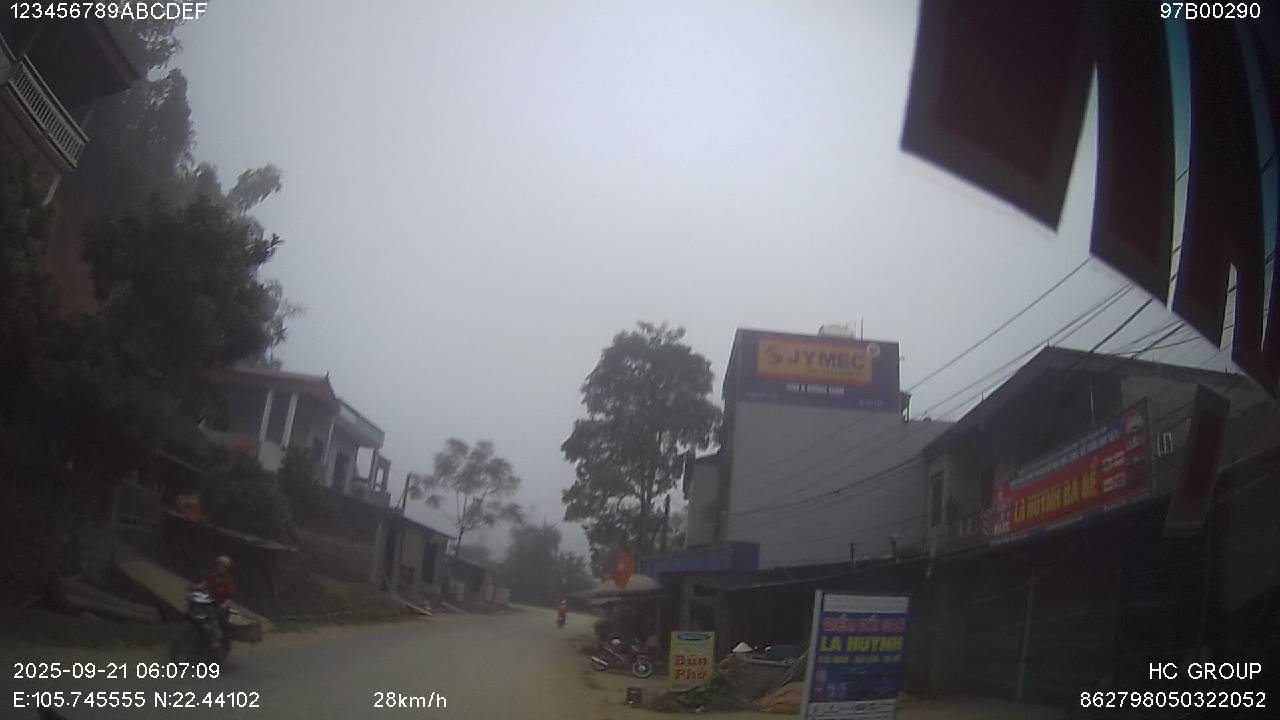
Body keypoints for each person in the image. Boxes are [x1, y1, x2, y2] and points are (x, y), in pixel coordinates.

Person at [200, 556, 237, 650]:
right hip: (209, 603)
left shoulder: (229, 581)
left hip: (220, 607)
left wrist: (224, 605)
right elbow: (203, 585)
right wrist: (196, 588)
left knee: (222, 622)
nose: (220, 567)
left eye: (223, 566)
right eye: (218, 565)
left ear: (227, 569)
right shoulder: (212, 577)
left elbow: (230, 598)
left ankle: (223, 643)